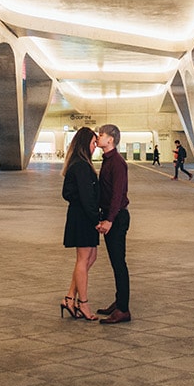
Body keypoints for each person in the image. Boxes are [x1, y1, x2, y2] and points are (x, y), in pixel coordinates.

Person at [59, 127, 100, 321]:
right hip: (83, 217)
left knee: (90, 257)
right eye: (93, 143)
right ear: (85, 144)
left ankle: (69, 297)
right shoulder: (82, 166)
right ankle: (82, 303)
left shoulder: (78, 163)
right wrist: (97, 219)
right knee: (83, 259)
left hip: (82, 215)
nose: (95, 147)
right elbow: (86, 197)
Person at [95, 124, 132, 324]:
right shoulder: (108, 160)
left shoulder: (117, 163)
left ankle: (123, 309)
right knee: (115, 263)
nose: (98, 137)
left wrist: (109, 220)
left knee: (119, 264)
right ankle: (119, 302)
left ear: (111, 139)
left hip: (117, 218)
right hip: (112, 216)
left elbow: (117, 194)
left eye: (101, 135)